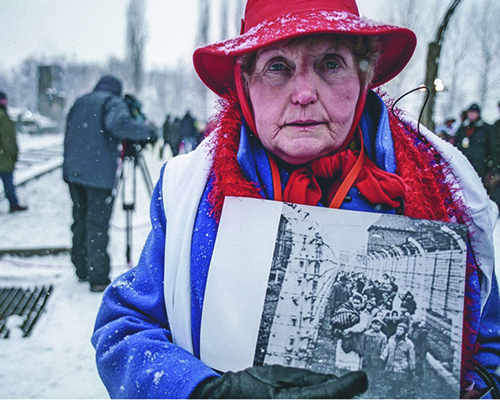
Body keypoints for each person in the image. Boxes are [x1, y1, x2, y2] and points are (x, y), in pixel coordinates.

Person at [92, 0, 500, 398]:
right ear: (245, 83)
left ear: (363, 75)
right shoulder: (187, 192)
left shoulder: (446, 188)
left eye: (330, 64)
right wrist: (204, 391)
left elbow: (489, 347)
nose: (304, 93)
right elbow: (124, 328)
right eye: (277, 68)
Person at [63, 76, 155, 293]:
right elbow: (119, 124)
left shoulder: (81, 101)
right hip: (98, 174)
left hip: (74, 172)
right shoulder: (112, 102)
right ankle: (98, 276)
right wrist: (148, 131)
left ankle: (82, 267)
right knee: (97, 223)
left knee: (80, 219)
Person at [454, 103, 500, 206]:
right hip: (463, 164)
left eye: (474, 113)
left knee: (479, 190)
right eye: (470, 112)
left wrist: (493, 165)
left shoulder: (487, 129)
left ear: (478, 114)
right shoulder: (463, 128)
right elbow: (456, 145)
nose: (471, 115)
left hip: (481, 165)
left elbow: (493, 147)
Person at [0, 90, 28, 213]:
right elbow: (8, 138)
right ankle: (13, 204)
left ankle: (13, 203)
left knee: (8, 182)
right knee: (8, 182)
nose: (6, 102)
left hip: (3, 155)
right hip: (4, 156)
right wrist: (13, 153)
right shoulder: (2, 116)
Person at [381, 323, 416, 398]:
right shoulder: (391, 339)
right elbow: (387, 348)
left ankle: (397, 392)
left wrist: (412, 366)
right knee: (392, 378)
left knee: (399, 379)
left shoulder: (409, 343)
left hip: (401, 364)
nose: (399, 331)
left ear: (404, 331)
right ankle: (393, 390)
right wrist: (383, 357)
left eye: (401, 330)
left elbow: (411, 356)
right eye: (398, 329)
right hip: (391, 362)